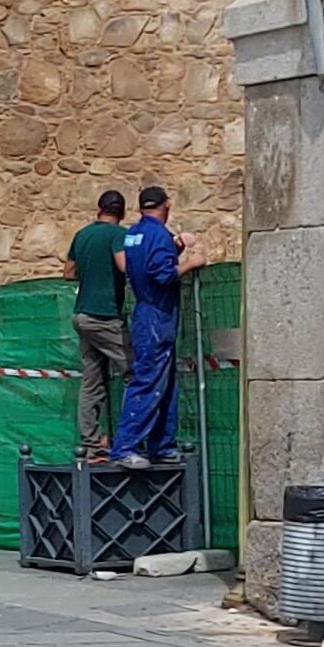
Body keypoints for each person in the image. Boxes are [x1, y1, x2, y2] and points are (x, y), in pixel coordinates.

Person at [114, 185, 189, 462]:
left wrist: (175, 247)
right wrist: (191, 263)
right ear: (166, 206)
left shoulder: (133, 233)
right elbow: (163, 274)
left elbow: (146, 264)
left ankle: (163, 444)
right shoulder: (158, 233)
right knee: (148, 381)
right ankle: (126, 447)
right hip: (158, 315)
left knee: (166, 381)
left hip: (145, 312)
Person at [66, 188, 131, 459]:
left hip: (81, 315)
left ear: (98, 210)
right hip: (105, 316)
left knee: (92, 380)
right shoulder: (119, 235)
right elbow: (125, 265)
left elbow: (69, 273)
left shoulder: (82, 235)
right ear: (123, 213)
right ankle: (131, 439)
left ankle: (91, 444)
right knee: (136, 372)